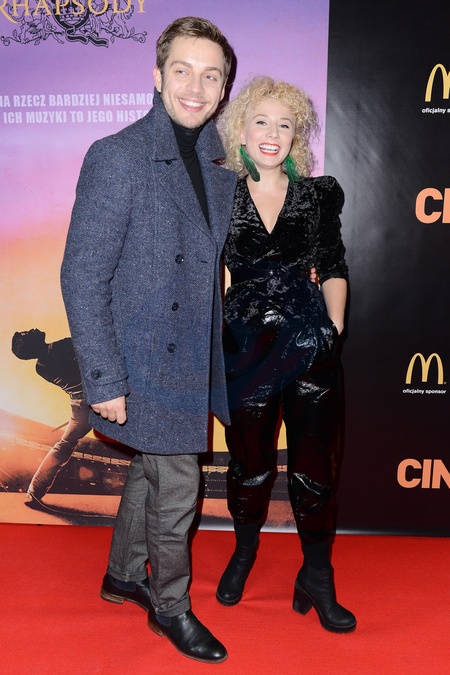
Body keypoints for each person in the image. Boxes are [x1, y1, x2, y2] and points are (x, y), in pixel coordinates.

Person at [60, 17, 236, 664]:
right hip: (141, 359)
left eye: (211, 75)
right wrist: (104, 378)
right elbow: (82, 274)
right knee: (179, 483)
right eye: (182, 70)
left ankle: (121, 574)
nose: (196, 86)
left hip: (190, 354)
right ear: (157, 76)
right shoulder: (118, 155)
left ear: (223, 89)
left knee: (150, 466)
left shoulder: (221, 164)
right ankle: (171, 605)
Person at [215, 76, 356, 634]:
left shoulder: (317, 195)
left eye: (285, 124)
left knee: (315, 464)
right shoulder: (219, 192)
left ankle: (317, 575)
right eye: (261, 121)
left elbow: (334, 263)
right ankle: (244, 551)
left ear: (296, 135)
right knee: (249, 464)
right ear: (241, 130)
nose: (272, 133)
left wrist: (333, 327)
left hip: (308, 346)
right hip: (244, 349)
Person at [11, 329, 92, 507]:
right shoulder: (62, 346)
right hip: (98, 399)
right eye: (27, 333)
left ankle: (34, 492)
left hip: (79, 406)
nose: (32, 329)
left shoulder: (40, 368)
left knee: (64, 446)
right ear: (33, 343)